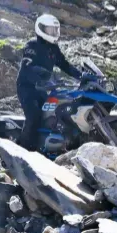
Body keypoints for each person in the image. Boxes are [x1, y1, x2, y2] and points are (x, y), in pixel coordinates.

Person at [16, 14, 82, 151]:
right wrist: (40, 77)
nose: (53, 33)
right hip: (27, 88)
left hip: (43, 88)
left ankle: (49, 148)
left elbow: (65, 65)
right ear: (40, 29)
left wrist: (82, 76)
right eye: (50, 30)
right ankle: (20, 150)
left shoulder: (53, 48)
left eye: (55, 30)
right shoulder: (32, 45)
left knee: (52, 114)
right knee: (33, 116)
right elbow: (27, 67)